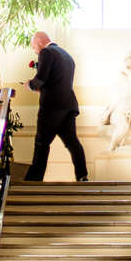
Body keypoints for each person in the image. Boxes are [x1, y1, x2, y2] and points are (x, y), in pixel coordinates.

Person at [24, 31, 89, 182]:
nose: (35, 50)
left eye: (34, 47)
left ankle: (34, 181)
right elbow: (57, 80)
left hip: (51, 107)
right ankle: (82, 175)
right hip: (68, 105)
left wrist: (30, 85)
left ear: (40, 42)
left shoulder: (46, 52)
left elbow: (40, 79)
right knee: (72, 142)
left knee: (41, 143)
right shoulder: (67, 56)